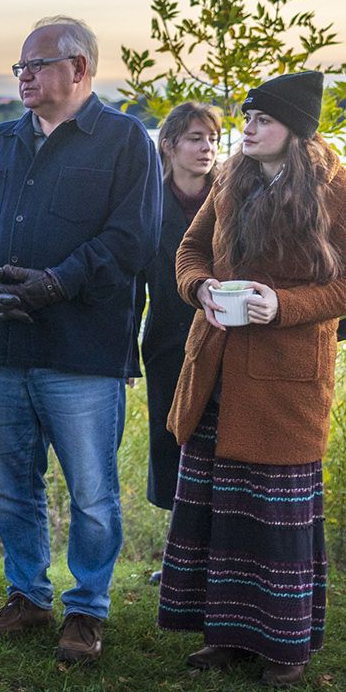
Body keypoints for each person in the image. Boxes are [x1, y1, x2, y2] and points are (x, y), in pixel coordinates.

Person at [0, 17, 160, 663]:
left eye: (37, 64)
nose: (25, 76)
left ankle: (87, 609)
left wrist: (56, 283)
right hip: (5, 347)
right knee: (11, 484)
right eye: (20, 67)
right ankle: (28, 596)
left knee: (92, 491)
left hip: (84, 352)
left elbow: (133, 240)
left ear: (81, 68)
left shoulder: (125, 142)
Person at [157, 70, 346, 687]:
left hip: (285, 378)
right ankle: (224, 637)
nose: (247, 128)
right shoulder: (229, 179)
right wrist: (199, 287)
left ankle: (285, 647)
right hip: (217, 368)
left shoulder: (345, 191)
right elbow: (189, 250)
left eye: (263, 120)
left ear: (296, 130)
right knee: (219, 505)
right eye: (247, 118)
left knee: (274, 512)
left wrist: (282, 306)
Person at [140, 104, 223, 517]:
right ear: (169, 145)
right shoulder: (146, 200)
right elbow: (130, 280)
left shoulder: (233, 194)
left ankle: (221, 548)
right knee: (171, 438)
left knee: (222, 443)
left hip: (225, 336)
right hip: (166, 339)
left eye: (212, 139)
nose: (207, 148)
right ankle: (177, 551)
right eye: (195, 138)